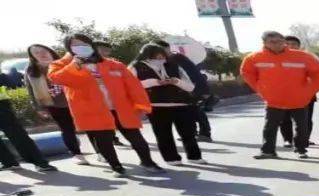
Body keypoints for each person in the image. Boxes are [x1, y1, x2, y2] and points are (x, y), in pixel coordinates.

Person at [48, 34, 162, 177]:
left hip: (120, 108)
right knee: (104, 141)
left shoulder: (113, 64)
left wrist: (140, 105)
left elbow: (133, 86)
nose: (81, 47)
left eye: (84, 43)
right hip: (93, 110)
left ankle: (147, 161)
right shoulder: (61, 65)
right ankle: (116, 166)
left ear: (91, 44)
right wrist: (73, 64)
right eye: (75, 44)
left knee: (136, 138)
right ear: (68, 48)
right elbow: (56, 78)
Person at [241, 30, 319, 160]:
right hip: (273, 100)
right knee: (270, 127)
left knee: (302, 126)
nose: (277, 44)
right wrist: (261, 90)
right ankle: (268, 151)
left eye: (280, 41)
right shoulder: (254, 58)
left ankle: (301, 149)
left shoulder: (302, 56)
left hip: (299, 99)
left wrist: (309, 91)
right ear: (265, 43)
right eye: (272, 42)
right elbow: (247, 73)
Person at [130, 44, 203, 165]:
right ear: (147, 56)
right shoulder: (136, 67)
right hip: (156, 105)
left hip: (180, 104)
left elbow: (190, 87)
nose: (160, 60)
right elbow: (132, 85)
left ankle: (194, 156)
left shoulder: (174, 65)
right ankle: (171, 158)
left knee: (188, 133)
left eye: (162, 57)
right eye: (156, 57)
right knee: (163, 134)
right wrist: (155, 82)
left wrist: (176, 81)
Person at [22, 45, 84, 165]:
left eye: (43, 51)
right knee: (67, 129)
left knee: (89, 126)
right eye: (36, 53)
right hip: (54, 105)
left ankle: (100, 152)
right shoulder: (32, 70)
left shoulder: (64, 63)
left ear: (50, 51)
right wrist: (38, 108)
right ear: (33, 57)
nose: (41, 54)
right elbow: (30, 90)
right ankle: (77, 154)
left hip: (76, 100)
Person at [153, 39, 213, 141]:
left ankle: (205, 134)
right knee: (188, 110)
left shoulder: (176, 58)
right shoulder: (171, 59)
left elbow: (192, 74)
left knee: (196, 110)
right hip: (184, 88)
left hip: (192, 87)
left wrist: (201, 89)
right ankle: (193, 132)